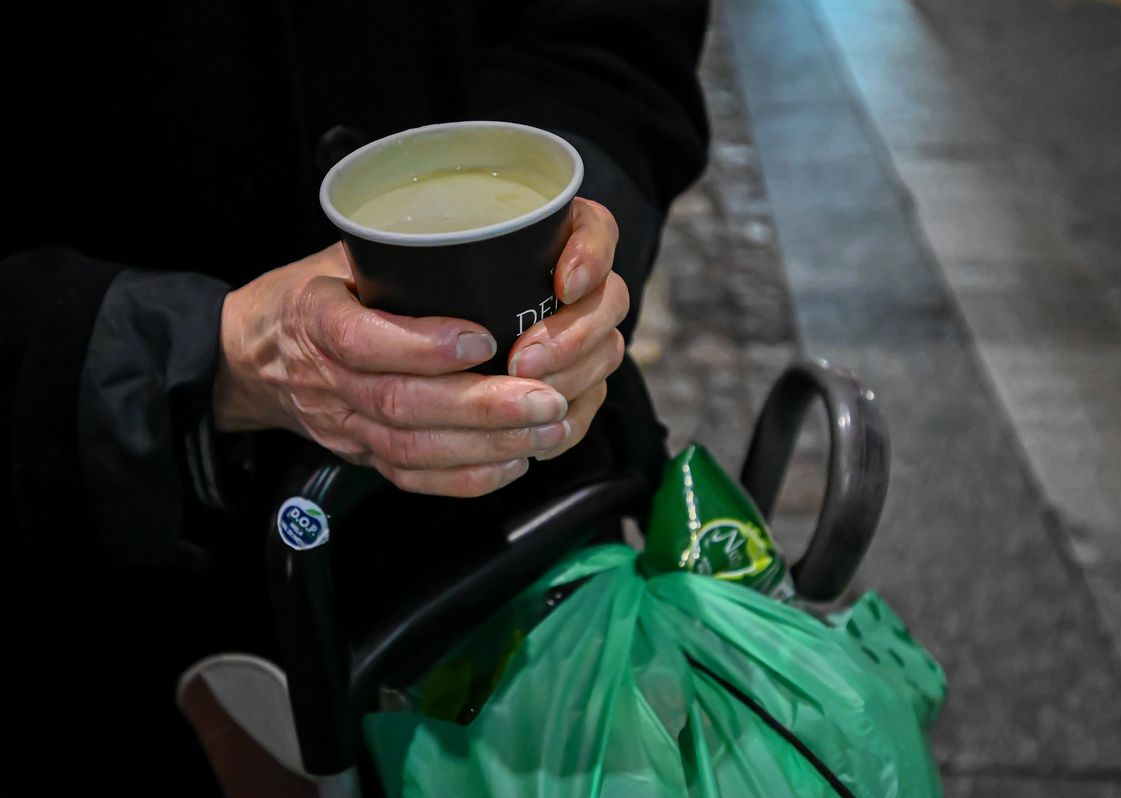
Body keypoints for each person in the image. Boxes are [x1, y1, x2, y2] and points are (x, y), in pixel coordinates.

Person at [1, 1, 709, 792]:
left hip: (528, 548)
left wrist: (569, 233)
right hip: (124, 589)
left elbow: (615, 41)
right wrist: (192, 351)